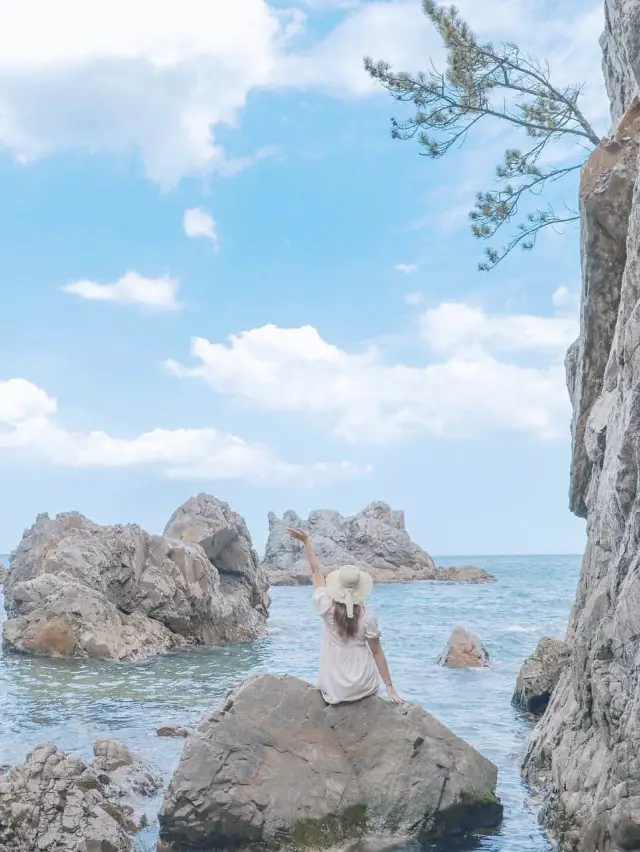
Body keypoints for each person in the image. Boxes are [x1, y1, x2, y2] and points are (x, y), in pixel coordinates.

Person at [287, 527, 403, 705]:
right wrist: (389, 687)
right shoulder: (368, 617)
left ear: (337, 587)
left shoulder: (325, 606)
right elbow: (377, 652)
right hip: (363, 686)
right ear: (359, 591)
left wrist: (306, 542)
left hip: (335, 688)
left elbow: (316, 571)